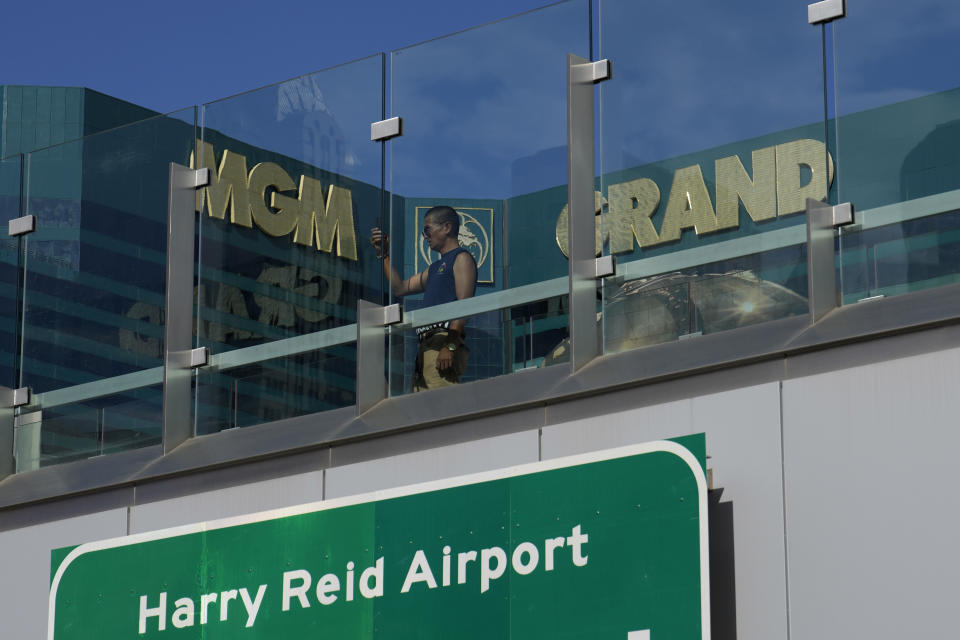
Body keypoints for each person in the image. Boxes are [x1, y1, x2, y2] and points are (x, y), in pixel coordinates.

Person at [370, 206, 477, 391]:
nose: (425, 236)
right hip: (426, 347)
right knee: (422, 406)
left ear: (446, 227)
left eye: (427, 230)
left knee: (439, 405)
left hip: (442, 342)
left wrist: (450, 347)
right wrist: (384, 255)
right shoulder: (435, 268)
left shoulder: (461, 258)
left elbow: (464, 307)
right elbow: (400, 288)